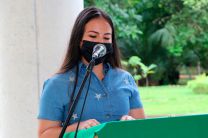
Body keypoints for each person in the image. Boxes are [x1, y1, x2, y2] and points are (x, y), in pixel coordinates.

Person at [38, 7, 145, 138]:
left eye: (106, 38)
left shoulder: (125, 79)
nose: (100, 43)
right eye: (93, 36)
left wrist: (130, 123)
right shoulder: (56, 84)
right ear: (79, 40)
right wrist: (78, 128)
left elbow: (142, 128)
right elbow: (44, 134)